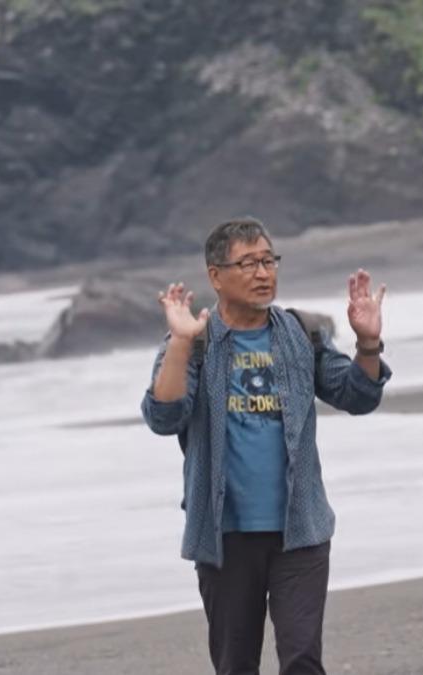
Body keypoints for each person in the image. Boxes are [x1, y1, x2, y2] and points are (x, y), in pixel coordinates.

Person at [141, 216, 391, 675]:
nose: (263, 273)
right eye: (248, 264)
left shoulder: (300, 333)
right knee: (236, 665)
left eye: (268, 261)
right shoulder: (196, 342)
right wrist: (180, 343)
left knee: (302, 661)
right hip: (225, 536)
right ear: (216, 276)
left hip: (301, 530)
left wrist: (368, 343)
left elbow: (358, 396)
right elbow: (164, 417)